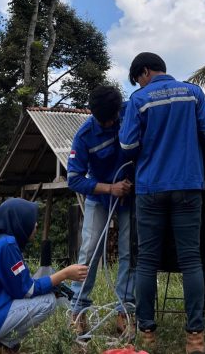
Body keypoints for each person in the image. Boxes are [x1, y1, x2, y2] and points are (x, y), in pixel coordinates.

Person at [119, 52, 205, 354]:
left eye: (138, 78)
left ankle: (148, 335)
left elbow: (127, 146)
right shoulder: (192, 92)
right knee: (191, 258)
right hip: (189, 184)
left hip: (150, 187)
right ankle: (194, 339)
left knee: (147, 261)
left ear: (145, 72)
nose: (139, 83)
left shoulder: (139, 100)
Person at [0, 198, 88, 353]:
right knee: (48, 302)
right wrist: (65, 273)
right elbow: (27, 290)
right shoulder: (8, 244)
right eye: (32, 220)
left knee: (44, 295)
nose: (35, 225)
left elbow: (19, 287)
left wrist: (53, 284)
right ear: (20, 222)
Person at [67, 85, 136, 337]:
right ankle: (78, 310)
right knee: (89, 251)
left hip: (130, 196)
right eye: (103, 120)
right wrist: (110, 188)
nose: (109, 123)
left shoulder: (130, 111)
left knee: (130, 253)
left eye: (113, 119)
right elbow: (74, 179)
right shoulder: (84, 135)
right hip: (100, 196)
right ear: (93, 114)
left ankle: (125, 312)